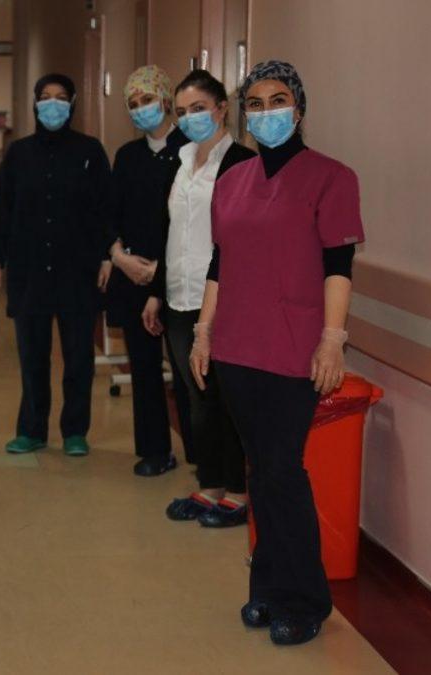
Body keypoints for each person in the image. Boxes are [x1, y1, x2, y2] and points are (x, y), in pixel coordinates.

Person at [189, 61, 363, 646]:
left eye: (278, 99)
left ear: (300, 108)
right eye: (256, 104)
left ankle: (306, 600)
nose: (267, 112)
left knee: (283, 470)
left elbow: (338, 266)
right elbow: (220, 263)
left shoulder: (331, 178)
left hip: (295, 348)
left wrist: (333, 339)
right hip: (237, 346)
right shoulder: (233, 180)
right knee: (260, 470)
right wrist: (204, 332)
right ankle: (266, 588)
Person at [142, 70, 255, 523]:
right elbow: (169, 231)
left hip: (222, 300)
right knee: (196, 397)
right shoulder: (181, 160)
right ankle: (210, 486)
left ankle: (239, 492)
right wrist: (156, 293)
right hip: (178, 297)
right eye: (182, 111)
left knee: (227, 398)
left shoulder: (242, 163)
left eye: (198, 109)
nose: (190, 118)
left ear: (222, 109)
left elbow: (241, 242)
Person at [0, 73, 112, 457]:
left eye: (61, 97)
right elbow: (1, 211)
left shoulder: (90, 151)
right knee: (32, 358)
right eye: (46, 96)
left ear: (72, 103)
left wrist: (107, 255)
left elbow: (105, 208)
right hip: (30, 271)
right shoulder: (19, 154)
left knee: (79, 359)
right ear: (35, 103)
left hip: (78, 271)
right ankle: (32, 429)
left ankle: (75, 431)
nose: (53, 103)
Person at [106, 64, 191, 476]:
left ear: (167, 100)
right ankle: (155, 451)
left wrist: (160, 269)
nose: (142, 108)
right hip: (132, 275)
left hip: (178, 277)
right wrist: (119, 257)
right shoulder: (127, 157)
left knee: (188, 371)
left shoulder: (191, 150)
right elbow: (109, 214)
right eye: (134, 103)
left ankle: (202, 456)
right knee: (143, 368)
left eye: (148, 100)